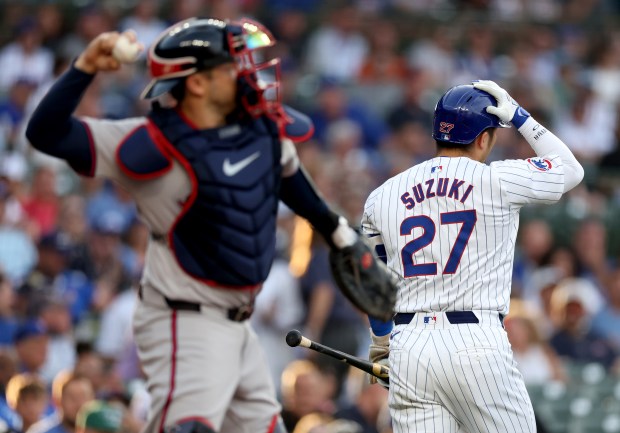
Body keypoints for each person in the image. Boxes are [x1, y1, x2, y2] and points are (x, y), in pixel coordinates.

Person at [26, 17, 392, 433]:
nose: (250, 74)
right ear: (197, 83)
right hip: (183, 320)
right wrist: (85, 67)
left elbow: (290, 180)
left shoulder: (260, 128)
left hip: (238, 324)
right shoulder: (152, 142)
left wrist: (338, 234)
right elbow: (46, 133)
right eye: (234, 66)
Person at [361, 80, 584, 432]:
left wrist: (383, 344)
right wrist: (519, 115)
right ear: (483, 138)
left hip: (409, 345)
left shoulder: (381, 196)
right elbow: (570, 170)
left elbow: (373, 284)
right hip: (475, 342)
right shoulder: (497, 179)